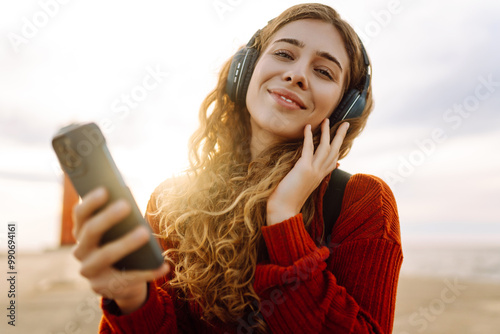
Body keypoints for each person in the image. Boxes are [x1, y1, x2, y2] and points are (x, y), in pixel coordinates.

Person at [72, 3, 403, 333]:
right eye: (285, 54)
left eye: (324, 71)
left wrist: (285, 218)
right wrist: (132, 297)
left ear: (345, 108)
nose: (297, 75)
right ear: (246, 68)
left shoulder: (362, 201)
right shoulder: (169, 201)